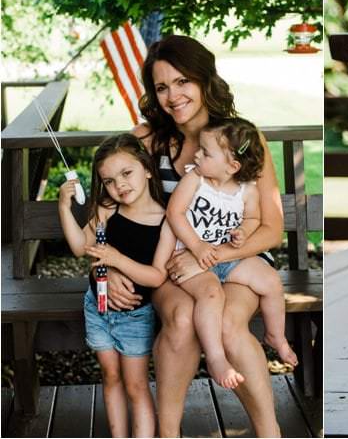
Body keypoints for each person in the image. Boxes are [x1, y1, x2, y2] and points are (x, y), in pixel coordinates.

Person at [100, 34, 283, 436]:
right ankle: (168, 432)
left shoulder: (242, 141)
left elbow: (272, 228)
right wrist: (107, 270)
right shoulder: (147, 141)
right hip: (172, 263)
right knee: (182, 319)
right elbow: (104, 210)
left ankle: (270, 432)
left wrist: (212, 253)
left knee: (229, 324)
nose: (173, 95)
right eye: (162, 86)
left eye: (182, 82)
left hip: (238, 258)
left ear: (204, 81)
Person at [167, 117, 298, 389]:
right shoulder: (195, 179)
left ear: (232, 166)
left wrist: (243, 232)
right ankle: (215, 357)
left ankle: (276, 336)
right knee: (212, 294)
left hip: (229, 258)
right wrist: (197, 246)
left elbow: (252, 218)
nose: (197, 155)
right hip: (194, 259)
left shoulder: (246, 190)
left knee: (271, 282)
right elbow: (175, 213)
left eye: (206, 152)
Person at [58, 133, 175, 437]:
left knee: (136, 384)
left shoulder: (166, 220)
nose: (119, 185)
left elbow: (156, 276)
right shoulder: (109, 209)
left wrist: (116, 260)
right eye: (109, 180)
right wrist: (63, 206)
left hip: (135, 316)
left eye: (127, 173)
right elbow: (80, 246)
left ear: (147, 168)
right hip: (97, 308)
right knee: (110, 377)